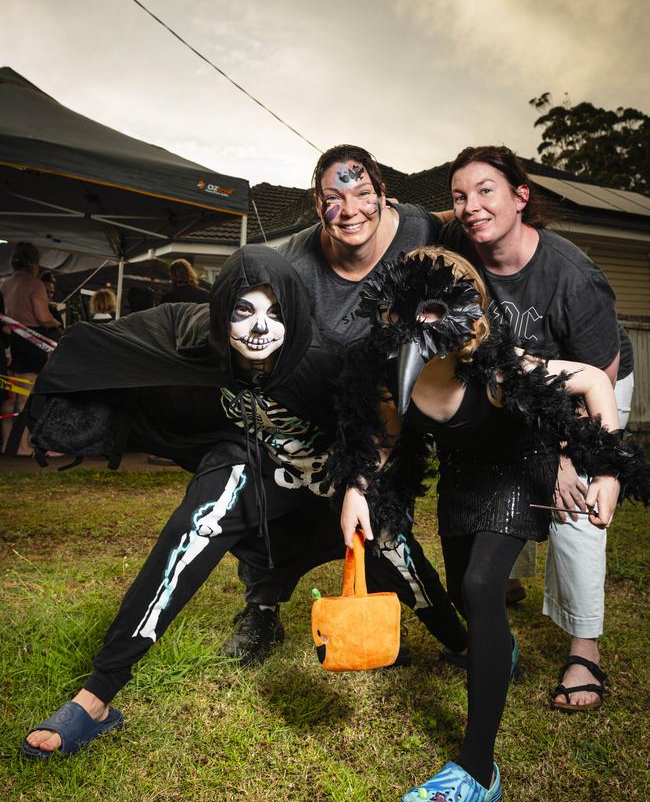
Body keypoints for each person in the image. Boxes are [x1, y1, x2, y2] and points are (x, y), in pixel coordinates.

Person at [22, 245, 466, 759]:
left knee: (391, 543)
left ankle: (460, 641)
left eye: (275, 312)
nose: (260, 327)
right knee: (191, 531)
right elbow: (130, 339)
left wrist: (357, 487)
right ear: (222, 313)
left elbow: (378, 427)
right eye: (243, 310)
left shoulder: (321, 366)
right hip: (253, 467)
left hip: (336, 476)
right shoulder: (197, 338)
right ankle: (98, 694)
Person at [335, 247, 647, 802]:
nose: (419, 326)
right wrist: (357, 488)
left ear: (466, 316)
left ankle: (478, 768)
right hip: (462, 480)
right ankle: (498, 649)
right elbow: (381, 438)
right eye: (405, 311)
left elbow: (590, 382)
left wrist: (604, 468)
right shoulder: (386, 374)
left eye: (433, 311)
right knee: (466, 594)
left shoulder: (502, 370)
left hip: (516, 468)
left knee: (481, 587)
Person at [225, 144, 458, 662]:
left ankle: (450, 631)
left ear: (382, 194)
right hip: (313, 404)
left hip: (386, 412)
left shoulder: (418, 229)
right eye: (334, 198)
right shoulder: (296, 263)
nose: (349, 209)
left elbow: (465, 218)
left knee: (383, 527)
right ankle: (261, 610)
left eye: (361, 193)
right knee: (275, 506)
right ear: (316, 205)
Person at [443, 146, 634, 711]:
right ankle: (504, 585)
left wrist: (571, 459)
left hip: (590, 383)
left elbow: (598, 381)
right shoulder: (461, 247)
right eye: (460, 196)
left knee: (572, 502)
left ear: (520, 197)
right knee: (505, 464)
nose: (471, 206)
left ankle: (584, 649)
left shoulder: (572, 275)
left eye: (486, 190)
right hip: (517, 381)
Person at [0, 242, 60, 454]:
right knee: (27, 396)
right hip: (31, 344)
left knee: (10, 397)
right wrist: (56, 323)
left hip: (8, 344)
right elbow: (42, 317)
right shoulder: (35, 284)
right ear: (34, 263)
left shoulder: (5, 283)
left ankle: (8, 444)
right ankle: (23, 446)